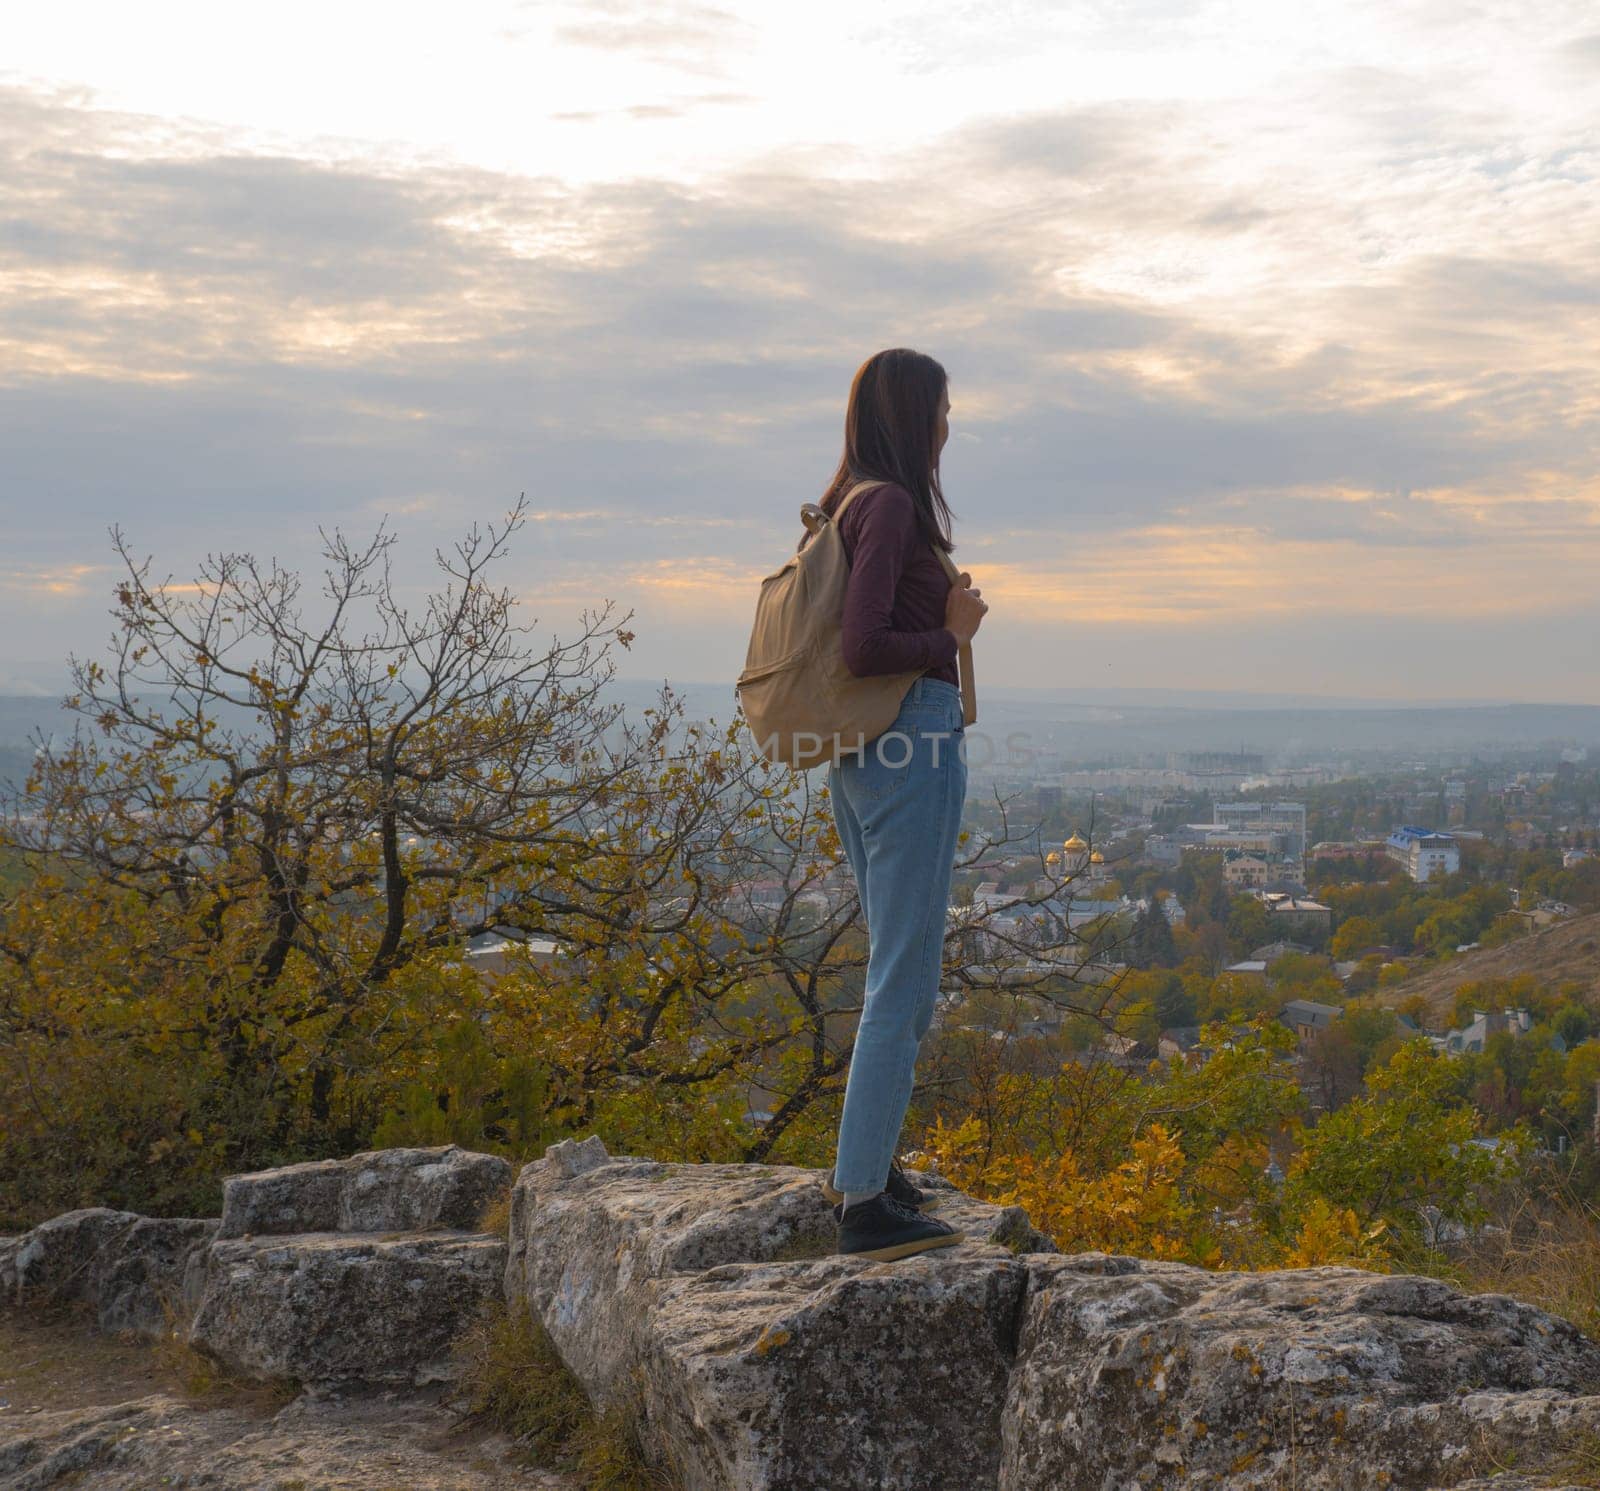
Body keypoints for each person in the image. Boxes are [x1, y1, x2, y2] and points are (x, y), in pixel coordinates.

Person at [815, 348, 988, 1262]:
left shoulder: (851, 498)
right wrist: (949, 632)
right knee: (903, 978)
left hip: (864, 753)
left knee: (899, 968)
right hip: (909, 741)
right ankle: (862, 1205)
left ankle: (870, 1166)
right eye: (943, 409)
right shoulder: (887, 503)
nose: (949, 424)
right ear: (914, 415)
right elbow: (863, 645)